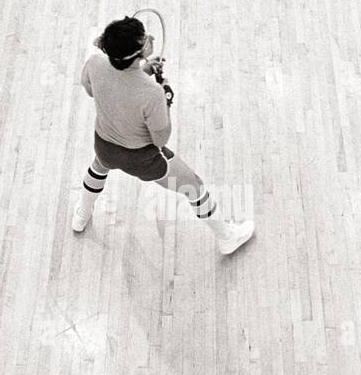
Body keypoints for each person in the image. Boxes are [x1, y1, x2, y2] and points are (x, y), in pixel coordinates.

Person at [73, 15, 254, 255]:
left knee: (99, 167)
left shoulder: (95, 63)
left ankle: (82, 214)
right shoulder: (152, 93)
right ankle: (227, 237)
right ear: (137, 52)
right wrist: (166, 99)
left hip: (104, 145)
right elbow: (160, 139)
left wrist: (141, 72)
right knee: (194, 186)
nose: (149, 40)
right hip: (142, 160)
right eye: (144, 39)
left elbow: (93, 90)